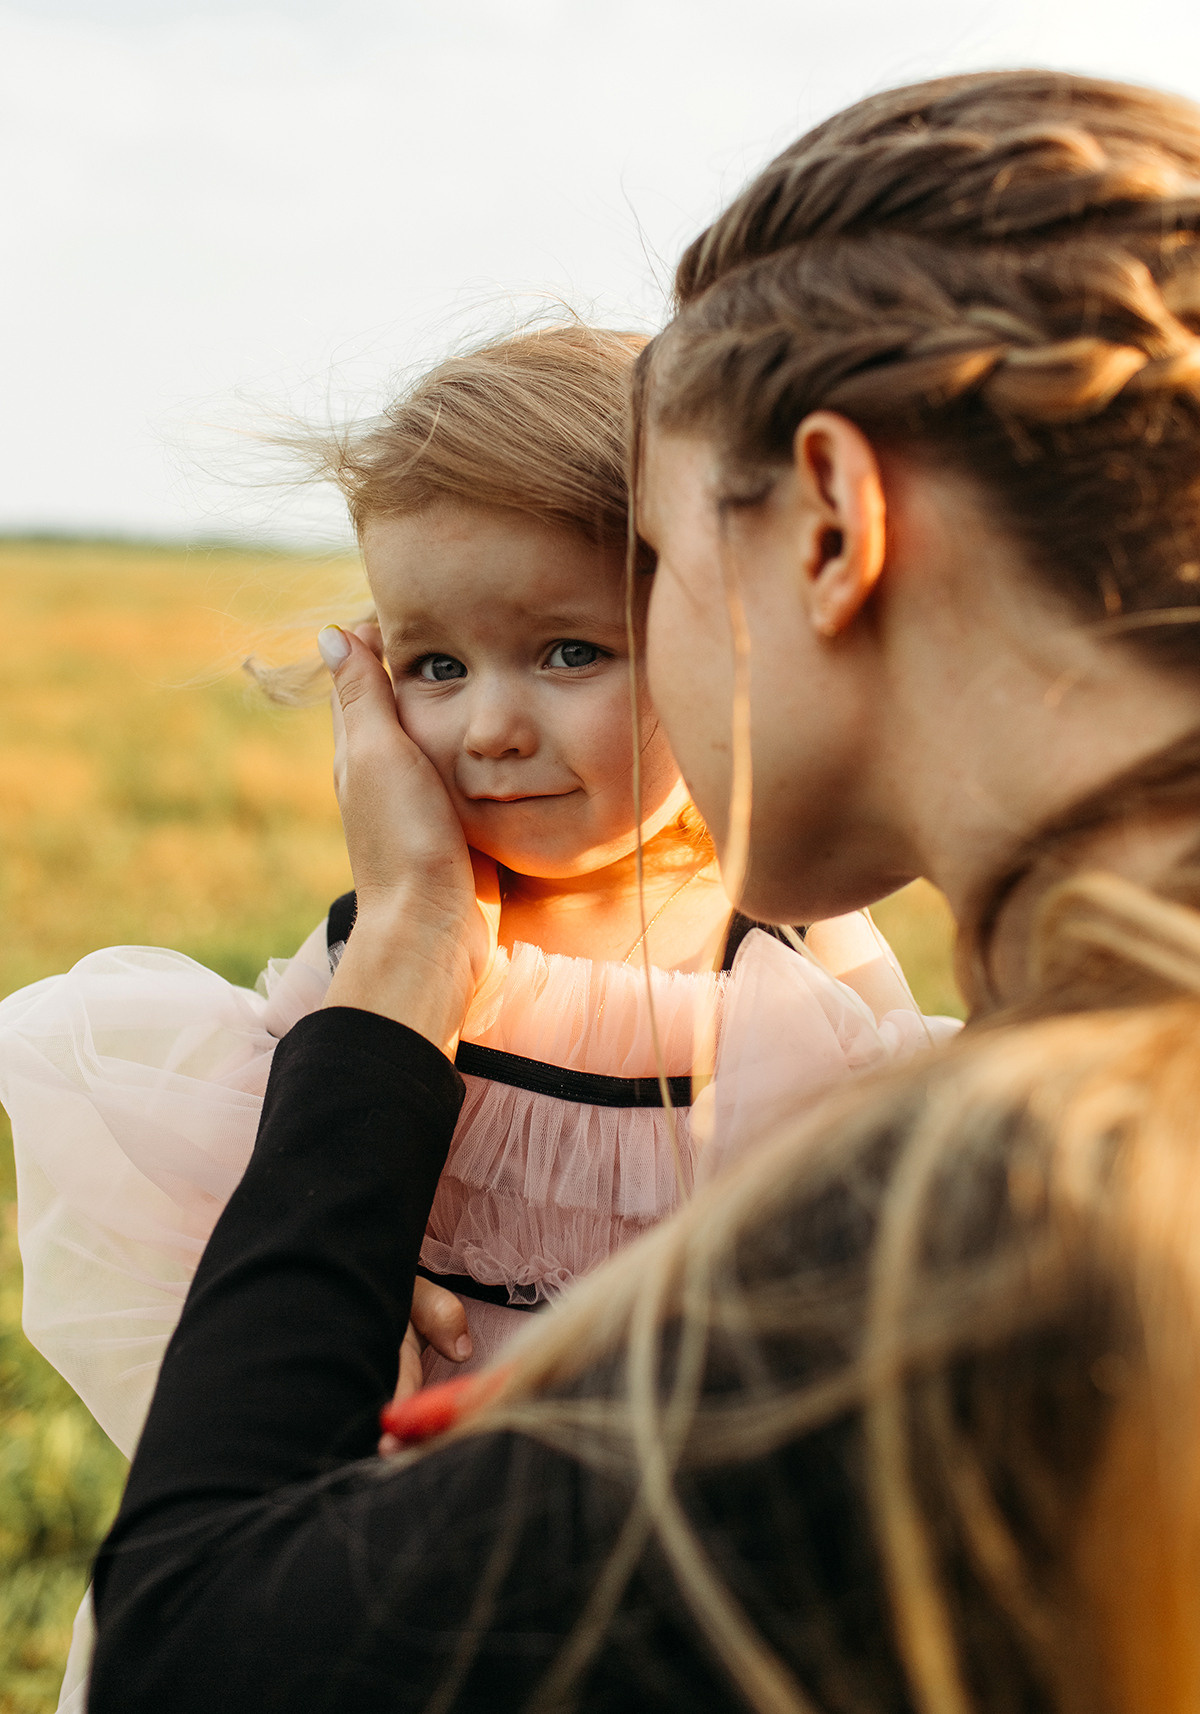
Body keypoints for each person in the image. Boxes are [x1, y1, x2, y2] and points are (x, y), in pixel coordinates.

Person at [86, 67, 1200, 1712]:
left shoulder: (1005, 1204)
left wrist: (403, 954)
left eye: (663, 562)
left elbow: (188, 1664)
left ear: (829, 523)